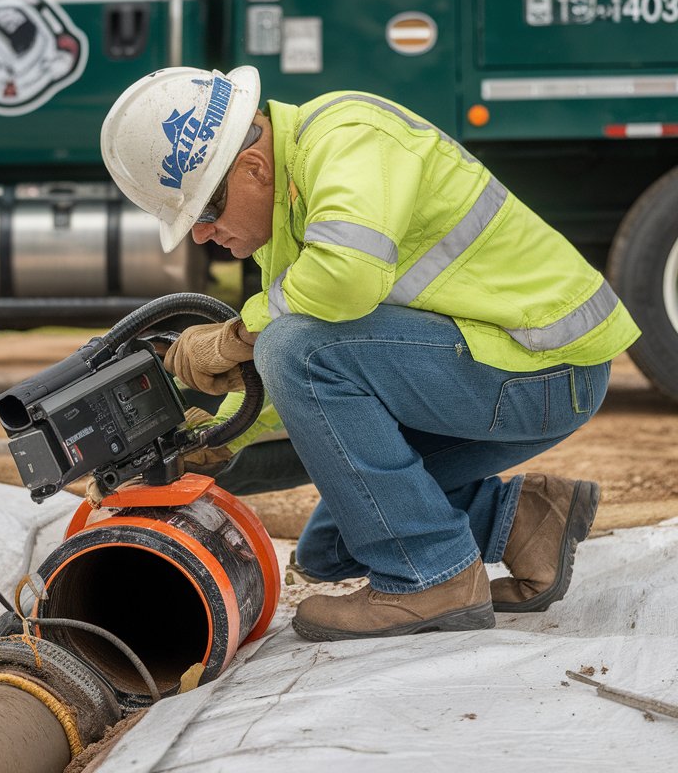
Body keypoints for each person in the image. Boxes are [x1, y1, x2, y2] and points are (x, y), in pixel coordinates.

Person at [100, 65, 640, 642]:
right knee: (332, 547)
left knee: (291, 348)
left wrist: (237, 336)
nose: (200, 236)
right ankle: (526, 519)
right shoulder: (290, 213)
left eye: (204, 214)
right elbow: (310, 384)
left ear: (253, 168)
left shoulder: (349, 136)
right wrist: (221, 440)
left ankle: (431, 576)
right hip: (503, 374)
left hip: (546, 369)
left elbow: (338, 288)